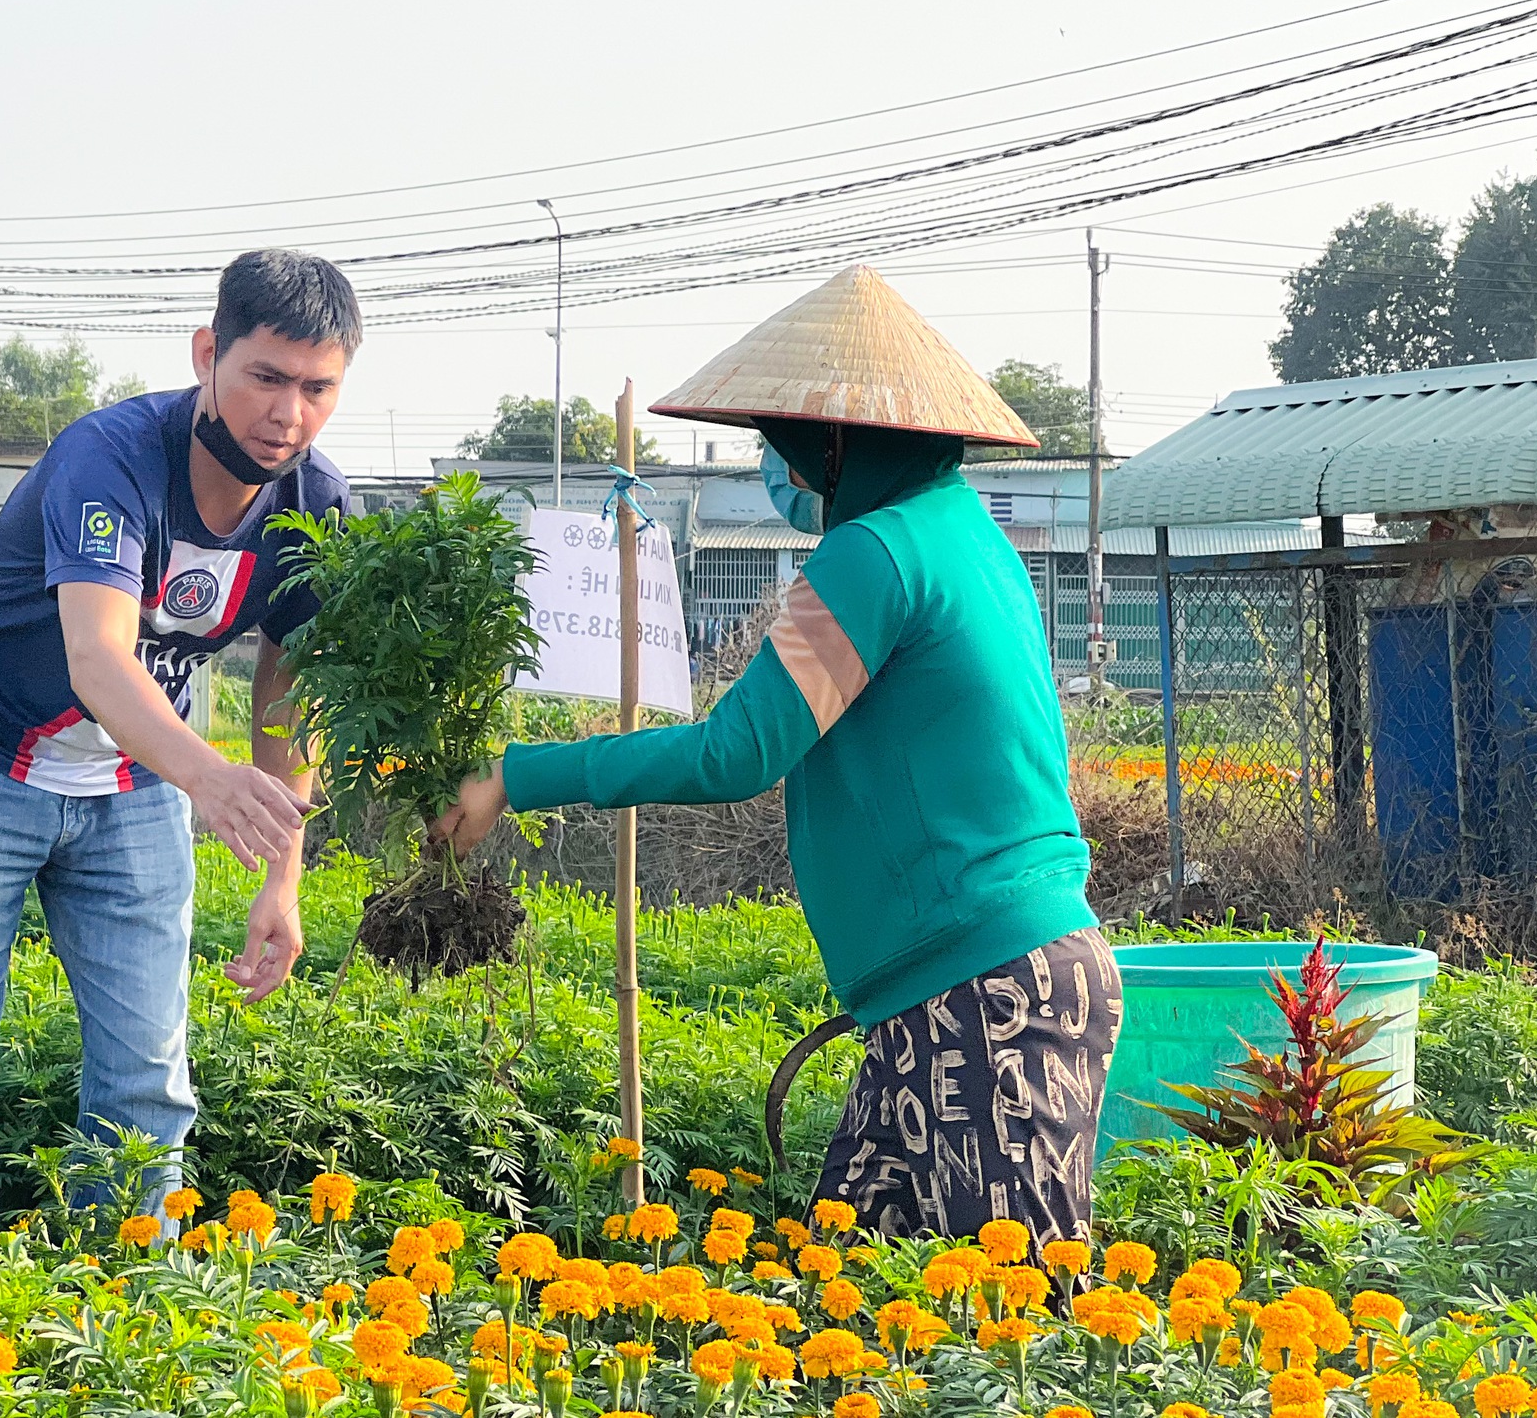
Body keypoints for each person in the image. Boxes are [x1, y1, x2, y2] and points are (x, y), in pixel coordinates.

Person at [435, 264, 1120, 1243]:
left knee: (1011, 1317)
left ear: (836, 442)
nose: (778, 467)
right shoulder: (962, 531)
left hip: (985, 992)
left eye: (784, 444)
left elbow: (739, 750)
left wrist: (517, 774)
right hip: (961, 986)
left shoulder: (873, 552)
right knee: (856, 1300)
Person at [0, 249, 359, 1226]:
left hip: (131, 784)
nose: (287, 412)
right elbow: (96, 655)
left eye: (317, 388)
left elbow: (285, 686)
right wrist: (208, 781)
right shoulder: (112, 456)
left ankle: (126, 1317)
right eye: (265, 376)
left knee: (148, 1082)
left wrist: (281, 874)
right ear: (209, 351)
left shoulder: (313, 504)